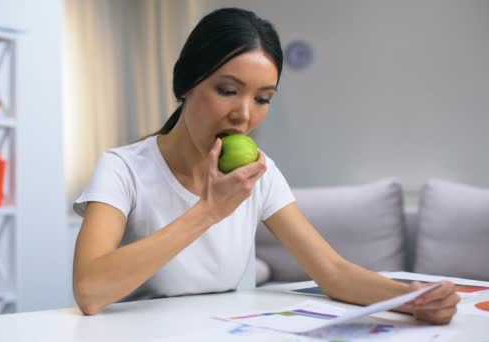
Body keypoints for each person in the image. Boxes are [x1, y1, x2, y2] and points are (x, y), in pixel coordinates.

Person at [72, 7, 460, 322]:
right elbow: (89, 291)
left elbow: (331, 272)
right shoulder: (122, 169)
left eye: (263, 98)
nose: (243, 115)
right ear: (186, 84)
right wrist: (207, 212)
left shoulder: (259, 173)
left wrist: (412, 298)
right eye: (227, 90)